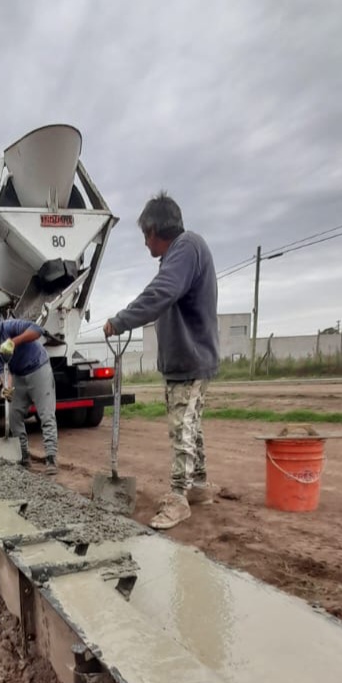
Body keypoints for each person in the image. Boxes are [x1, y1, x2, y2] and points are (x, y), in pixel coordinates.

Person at [103, 192, 219, 530]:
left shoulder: (185, 248)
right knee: (191, 425)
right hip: (189, 358)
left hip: (191, 358)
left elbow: (160, 293)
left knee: (181, 428)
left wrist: (120, 320)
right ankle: (197, 486)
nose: (145, 243)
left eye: (145, 236)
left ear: (155, 229)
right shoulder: (183, 252)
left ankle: (178, 497)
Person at [0, 315, 58, 474]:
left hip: (38, 368)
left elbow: (37, 331)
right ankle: (23, 457)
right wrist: (7, 387)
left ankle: (51, 457)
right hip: (18, 376)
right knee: (14, 415)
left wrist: (12, 342)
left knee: (46, 414)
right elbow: (2, 371)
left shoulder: (9, 327)